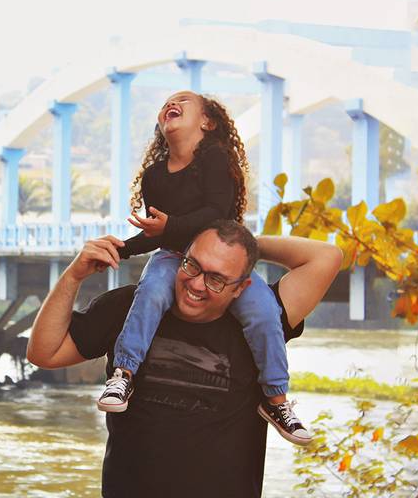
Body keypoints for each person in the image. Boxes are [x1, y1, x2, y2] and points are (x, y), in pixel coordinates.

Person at [27, 221, 342, 496]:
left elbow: (326, 256)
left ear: (241, 287)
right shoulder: (131, 309)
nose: (195, 284)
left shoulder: (262, 324)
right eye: (192, 265)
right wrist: (72, 276)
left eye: (217, 278)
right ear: (180, 255)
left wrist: (237, 240)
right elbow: (44, 353)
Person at [99, 90, 305, 445]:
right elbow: (159, 233)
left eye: (182, 100)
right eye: (165, 103)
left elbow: (217, 215)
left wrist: (169, 227)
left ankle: (275, 399)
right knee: (149, 292)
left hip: (222, 259)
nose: (169, 105)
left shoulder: (216, 162)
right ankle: (124, 373)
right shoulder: (154, 177)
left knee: (264, 312)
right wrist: (125, 247)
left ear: (207, 122)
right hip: (173, 256)